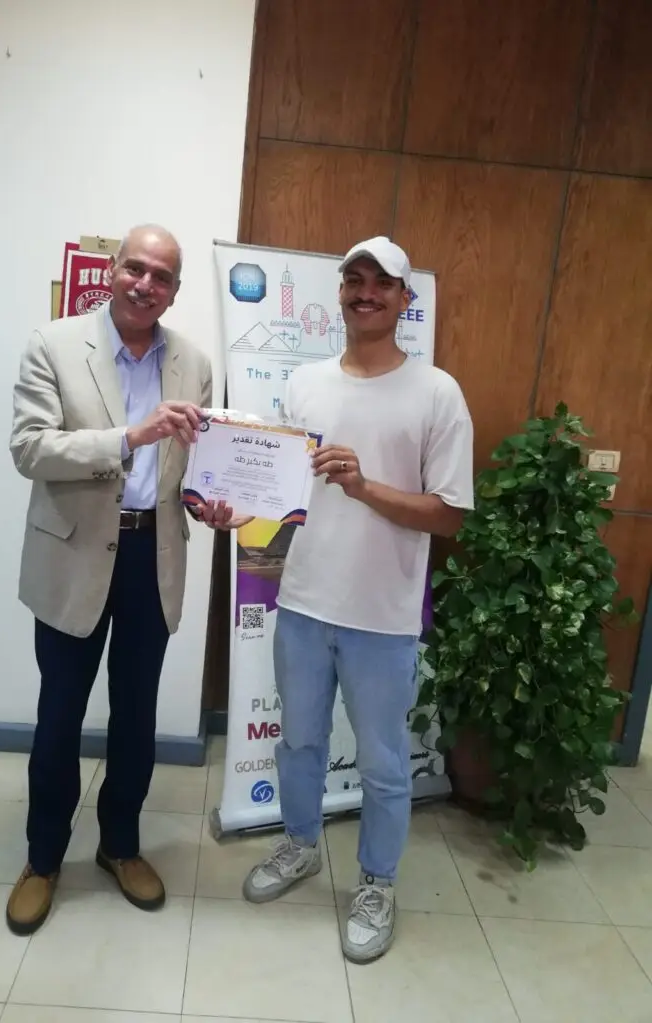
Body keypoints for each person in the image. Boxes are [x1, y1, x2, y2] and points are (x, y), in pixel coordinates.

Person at [241, 237, 475, 964]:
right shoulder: (304, 383)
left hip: (383, 616)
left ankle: (377, 882)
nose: (365, 292)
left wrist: (364, 485)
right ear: (339, 292)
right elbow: (280, 493)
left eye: (382, 282)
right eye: (354, 280)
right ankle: (300, 844)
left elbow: (450, 515)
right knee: (299, 742)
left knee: (382, 762)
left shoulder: (437, 392)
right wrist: (232, 506)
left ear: (405, 299)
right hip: (304, 603)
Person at [6, 224, 212, 936]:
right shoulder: (54, 344)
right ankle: (42, 858)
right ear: (113, 270)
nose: (145, 284)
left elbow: (191, 468)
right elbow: (30, 448)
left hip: (153, 554)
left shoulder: (193, 362)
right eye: (136, 268)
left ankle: (119, 845)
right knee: (59, 714)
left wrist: (209, 503)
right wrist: (129, 436)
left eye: (162, 276)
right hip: (73, 555)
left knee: (136, 713)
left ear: (174, 292)